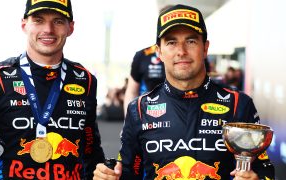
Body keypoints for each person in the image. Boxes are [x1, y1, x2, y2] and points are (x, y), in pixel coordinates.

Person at [93, 4, 275, 180]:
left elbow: (265, 170)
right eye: (171, 42)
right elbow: (127, 172)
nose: (181, 51)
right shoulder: (139, 110)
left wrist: (257, 178)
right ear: (159, 52)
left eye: (191, 41)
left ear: (205, 48)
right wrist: (109, 176)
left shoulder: (238, 104)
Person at [0, 0, 105, 179]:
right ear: (24, 25)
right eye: (39, 20)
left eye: (58, 21)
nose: (48, 29)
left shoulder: (85, 80)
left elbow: (91, 151)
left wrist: (103, 172)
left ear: (70, 28)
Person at [123, 44, 165, 114]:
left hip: (176, 114)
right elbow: (131, 92)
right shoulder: (142, 55)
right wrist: (128, 119)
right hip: (146, 113)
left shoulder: (182, 53)